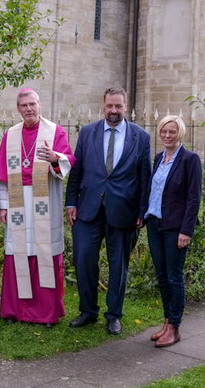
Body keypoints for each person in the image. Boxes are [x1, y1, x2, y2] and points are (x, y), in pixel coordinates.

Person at [65, 87, 151, 335]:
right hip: (88, 209)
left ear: (125, 106)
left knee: (118, 266)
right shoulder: (88, 132)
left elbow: (145, 177)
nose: (114, 110)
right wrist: (71, 202)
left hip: (124, 211)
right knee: (83, 260)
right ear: (103, 106)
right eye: (110, 106)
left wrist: (142, 211)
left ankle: (114, 315)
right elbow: (77, 171)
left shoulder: (141, 137)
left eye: (119, 106)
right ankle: (88, 311)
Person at [0, 89, 75, 326]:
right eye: (24, 105)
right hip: (18, 199)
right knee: (17, 252)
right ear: (18, 109)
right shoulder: (11, 135)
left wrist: (55, 158)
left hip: (45, 201)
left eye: (32, 104)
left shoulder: (55, 131)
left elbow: (69, 160)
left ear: (40, 105)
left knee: (45, 252)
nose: (28, 109)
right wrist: (3, 206)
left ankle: (45, 313)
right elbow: (3, 175)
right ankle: (14, 311)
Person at [145, 115, 202, 347]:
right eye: (164, 131)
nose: (167, 135)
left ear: (180, 133)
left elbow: (194, 197)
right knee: (162, 276)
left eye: (172, 132)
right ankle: (167, 322)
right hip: (155, 224)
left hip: (176, 228)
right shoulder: (159, 158)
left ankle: (175, 328)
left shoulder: (190, 160)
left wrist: (186, 230)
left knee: (174, 277)